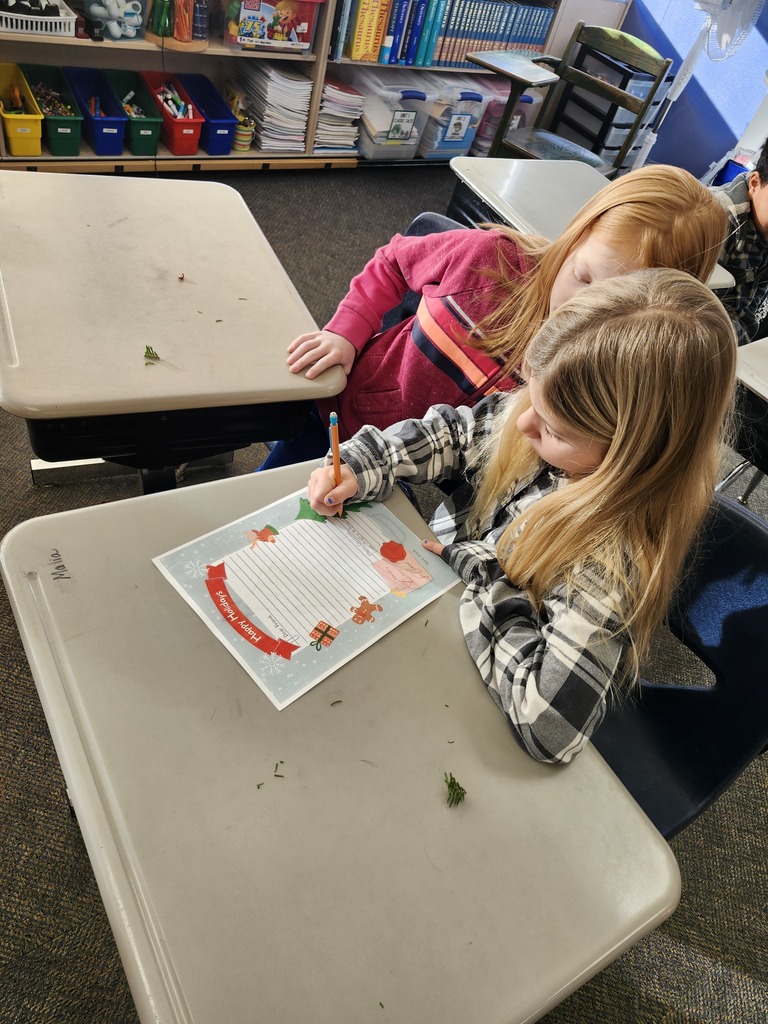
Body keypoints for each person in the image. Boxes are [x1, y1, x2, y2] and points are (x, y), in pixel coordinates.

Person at [306, 269, 737, 765]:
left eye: (552, 427)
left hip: (470, 703)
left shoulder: (610, 562)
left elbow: (549, 729)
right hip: (436, 614)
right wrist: (365, 465)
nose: (524, 420)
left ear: (628, 453)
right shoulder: (542, 416)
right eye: (531, 396)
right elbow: (457, 433)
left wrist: (481, 575)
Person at [258, 164, 728, 471]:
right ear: (574, 238)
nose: (582, 313)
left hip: (427, 466)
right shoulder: (486, 259)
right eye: (585, 279)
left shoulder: (611, 366)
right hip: (346, 418)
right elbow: (394, 261)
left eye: (616, 308)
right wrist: (347, 331)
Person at [712, 137, 768, 345]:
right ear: (755, 183)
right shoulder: (715, 222)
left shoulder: (762, 223)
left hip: (735, 335)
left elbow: (748, 313)